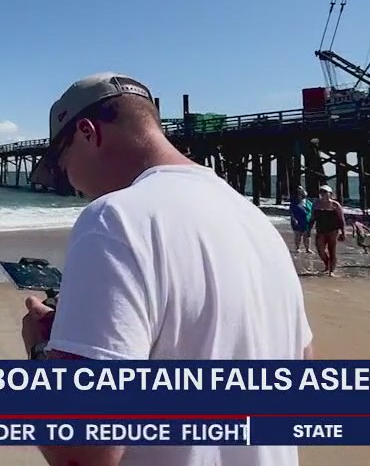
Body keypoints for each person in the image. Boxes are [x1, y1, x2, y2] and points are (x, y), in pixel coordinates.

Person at [21, 72, 312, 466]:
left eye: (61, 161)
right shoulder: (254, 219)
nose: (68, 180)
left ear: (88, 133)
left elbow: (83, 450)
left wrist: (41, 351)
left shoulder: (114, 218)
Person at [310, 185, 346, 275]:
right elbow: (312, 218)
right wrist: (308, 230)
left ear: (330, 194)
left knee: (332, 250)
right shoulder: (316, 204)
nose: (323, 194)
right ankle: (327, 263)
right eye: (321, 192)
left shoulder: (335, 205)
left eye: (325, 192)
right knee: (320, 250)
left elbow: (341, 219)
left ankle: (331, 271)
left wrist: (343, 232)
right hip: (320, 229)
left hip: (333, 230)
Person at [289, 185, 313, 253]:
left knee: (307, 235)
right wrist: (294, 219)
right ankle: (297, 248)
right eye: (298, 192)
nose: (300, 194)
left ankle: (307, 249)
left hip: (307, 221)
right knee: (298, 235)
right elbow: (292, 212)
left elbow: (312, 211)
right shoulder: (294, 203)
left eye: (301, 192)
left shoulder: (308, 202)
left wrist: (312, 220)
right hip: (297, 221)